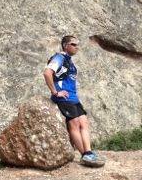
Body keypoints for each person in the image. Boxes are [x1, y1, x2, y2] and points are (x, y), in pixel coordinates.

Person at [43, 35, 103, 166]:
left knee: (84, 122)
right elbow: (47, 73)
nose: (77, 47)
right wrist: (55, 92)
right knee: (74, 123)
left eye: (78, 44)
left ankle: (89, 152)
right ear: (65, 45)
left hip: (73, 98)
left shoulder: (69, 60)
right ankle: (85, 156)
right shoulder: (59, 57)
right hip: (64, 98)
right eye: (74, 44)